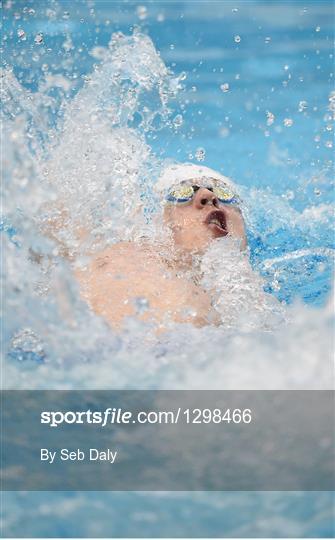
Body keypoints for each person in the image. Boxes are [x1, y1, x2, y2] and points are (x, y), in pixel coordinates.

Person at [71, 163, 248, 330]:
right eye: (184, 192)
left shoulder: (250, 295)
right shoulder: (128, 261)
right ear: (161, 223)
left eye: (224, 192)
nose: (208, 196)